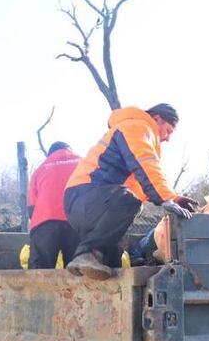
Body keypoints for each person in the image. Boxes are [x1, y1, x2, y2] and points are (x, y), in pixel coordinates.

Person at [63, 103, 198, 279]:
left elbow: (142, 184)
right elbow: (146, 163)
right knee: (130, 202)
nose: (168, 138)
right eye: (168, 130)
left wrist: (175, 198)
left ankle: (105, 291)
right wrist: (166, 198)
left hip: (91, 202)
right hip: (85, 195)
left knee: (113, 256)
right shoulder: (138, 126)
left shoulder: (132, 129)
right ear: (156, 118)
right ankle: (86, 254)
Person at [27, 141, 81, 269]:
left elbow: (31, 208)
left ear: (50, 154)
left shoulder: (40, 169)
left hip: (45, 223)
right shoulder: (83, 163)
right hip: (78, 222)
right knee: (79, 272)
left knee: (40, 274)